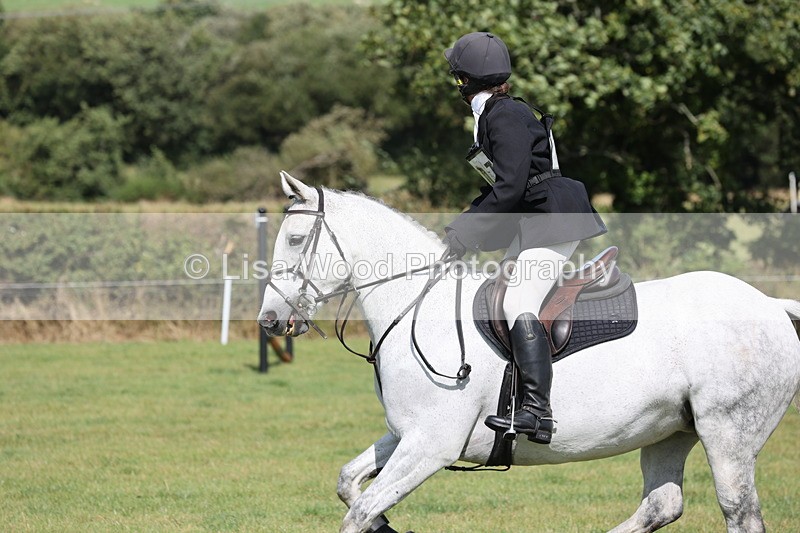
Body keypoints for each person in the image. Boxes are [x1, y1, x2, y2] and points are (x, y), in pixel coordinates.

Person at [442, 32, 607, 444]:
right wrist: (465, 226)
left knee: (517, 300)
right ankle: (512, 399)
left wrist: (466, 229)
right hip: (536, 219)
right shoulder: (494, 114)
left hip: (552, 218)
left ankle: (538, 411)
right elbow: (503, 188)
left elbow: (511, 187)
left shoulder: (504, 116)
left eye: (456, 79)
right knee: (500, 290)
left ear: (464, 81)